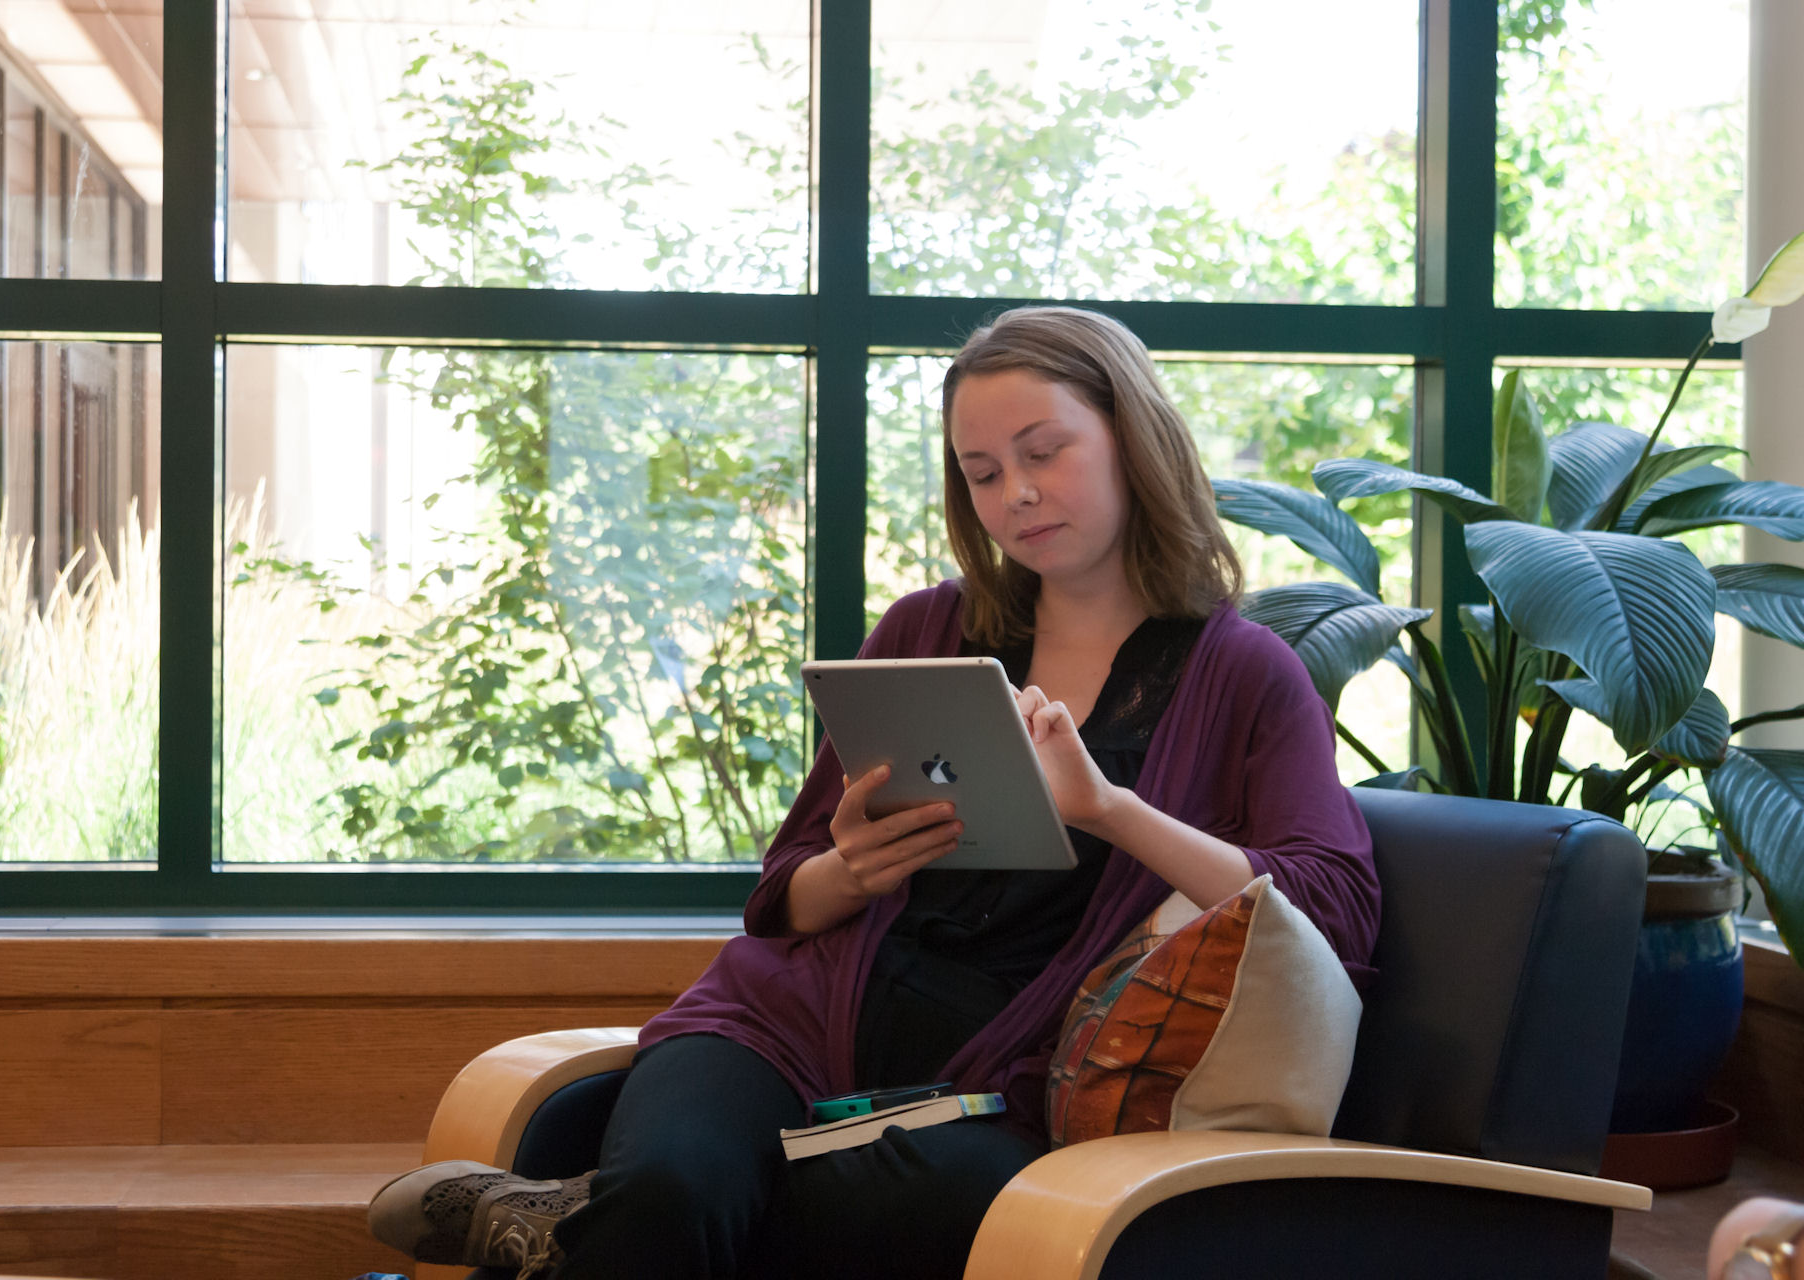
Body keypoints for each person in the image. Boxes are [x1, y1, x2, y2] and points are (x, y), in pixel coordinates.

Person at [367, 305, 1382, 1280]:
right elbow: (782, 896)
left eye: (1044, 451)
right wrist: (847, 869)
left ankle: (575, 1221)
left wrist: (1109, 808)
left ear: (1133, 439)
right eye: (982, 472)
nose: (1016, 493)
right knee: (677, 1186)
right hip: (783, 1024)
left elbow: (1325, 906)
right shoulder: (923, 630)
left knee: (845, 1206)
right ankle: (614, 1214)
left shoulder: (1242, 673)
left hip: (988, 1089)